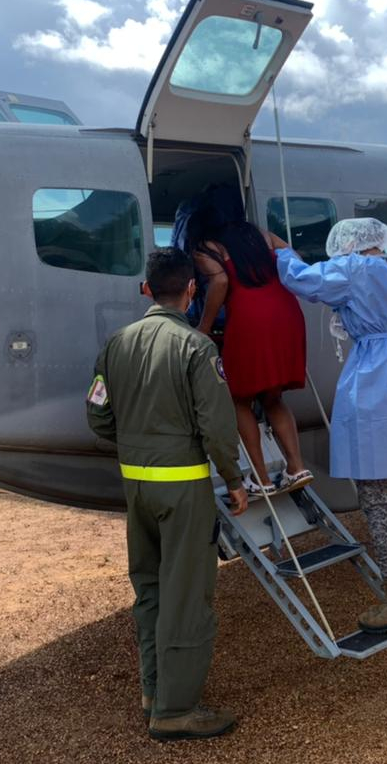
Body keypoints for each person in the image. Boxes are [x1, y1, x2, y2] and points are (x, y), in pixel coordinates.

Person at [86, 248, 249, 741]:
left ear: (146, 290)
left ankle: (153, 691)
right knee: (187, 596)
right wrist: (234, 479)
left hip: (136, 488)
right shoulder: (197, 348)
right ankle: (176, 710)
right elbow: (217, 426)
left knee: (151, 590)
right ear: (192, 290)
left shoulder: (116, 344)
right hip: (183, 489)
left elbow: (97, 415)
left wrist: (139, 445)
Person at [275, 218, 387, 633]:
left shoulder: (354, 270)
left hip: (377, 379)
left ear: (349, 244)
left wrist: (282, 252)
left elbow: (301, 279)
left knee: (379, 498)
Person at [186, 192, 312, 496]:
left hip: (249, 319)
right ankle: (296, 467)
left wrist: (203, 327)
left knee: (239, 397)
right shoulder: (261, 235)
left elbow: (220, 282)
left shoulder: (206, 247)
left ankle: (261, 478)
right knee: (273, 396)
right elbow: (295, 258)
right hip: (287, 314)